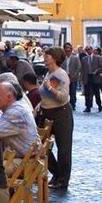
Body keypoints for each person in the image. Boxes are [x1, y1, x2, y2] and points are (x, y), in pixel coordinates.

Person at [38, 47, 73, 190]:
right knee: (41, 146)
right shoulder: (49, 73)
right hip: (47, 112)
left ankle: (62, 179)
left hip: (61, 113)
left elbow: (62, 97)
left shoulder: (61, 74)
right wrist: (40, 105)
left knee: (63, 148)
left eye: (48, 55)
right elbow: (45, 94)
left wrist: (49, 88)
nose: (45, 57)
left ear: (55, 58)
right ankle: (57, 173)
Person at [0, 82, 40, 176]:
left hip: (26, 163)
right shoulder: (15, 107)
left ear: (9, 97)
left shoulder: (15, 112)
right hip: (24, 158)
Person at [81, 46, 102, 113]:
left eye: (89, 49)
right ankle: (88, 107)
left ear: (92, 50)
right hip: (87, 77)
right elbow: (82, 69)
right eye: (87, 50)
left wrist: (97, 71)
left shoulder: (98, 58)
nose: (88, 51)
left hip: (95, 77)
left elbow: (101, 66)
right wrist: (82, 78)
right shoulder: (84, 59)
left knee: (96, 92)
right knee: (87, 93)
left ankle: (99, 105)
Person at [63, 43, 81, 110]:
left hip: (73, 78)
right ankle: (67, 104)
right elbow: (61, 67)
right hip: (65, 77)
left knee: (73, 92)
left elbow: (78, 67)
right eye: (66, 51)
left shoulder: (75, 58)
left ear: (71, 51)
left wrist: (73, 76)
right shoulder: (63, 59)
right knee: (66, 92)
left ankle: (73, 104)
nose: (67, 52)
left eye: (69, 51)